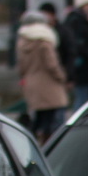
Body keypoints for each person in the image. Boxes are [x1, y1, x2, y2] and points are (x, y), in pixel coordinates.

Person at [17, 11, 69, 144]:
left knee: (38, 117)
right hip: (48, 84)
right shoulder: (44, 40)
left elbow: (21, 67)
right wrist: (61, 77)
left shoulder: (22, 41)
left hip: (31, 82)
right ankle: (47, 145)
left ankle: (31, 141)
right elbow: (52, 64)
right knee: (49, 118)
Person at [39, 2, 76, 90]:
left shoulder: (63, 32)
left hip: (60, 74)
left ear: (53, 15)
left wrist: (69, 77)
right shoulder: (40, 33)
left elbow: (70, 54)